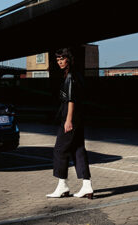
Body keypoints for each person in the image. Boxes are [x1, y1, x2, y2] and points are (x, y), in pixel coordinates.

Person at [46, 48, 94, 199]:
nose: (59, 62)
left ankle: (63, 186)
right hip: (78, 118)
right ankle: (87, 186)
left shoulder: (71, 76)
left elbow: (71, 99)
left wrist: (68, 120)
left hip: (71, 118)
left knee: (60, 150)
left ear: (69, 59)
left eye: (62, 59)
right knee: (78, 150)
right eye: (58, 60)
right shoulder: (76, 75)